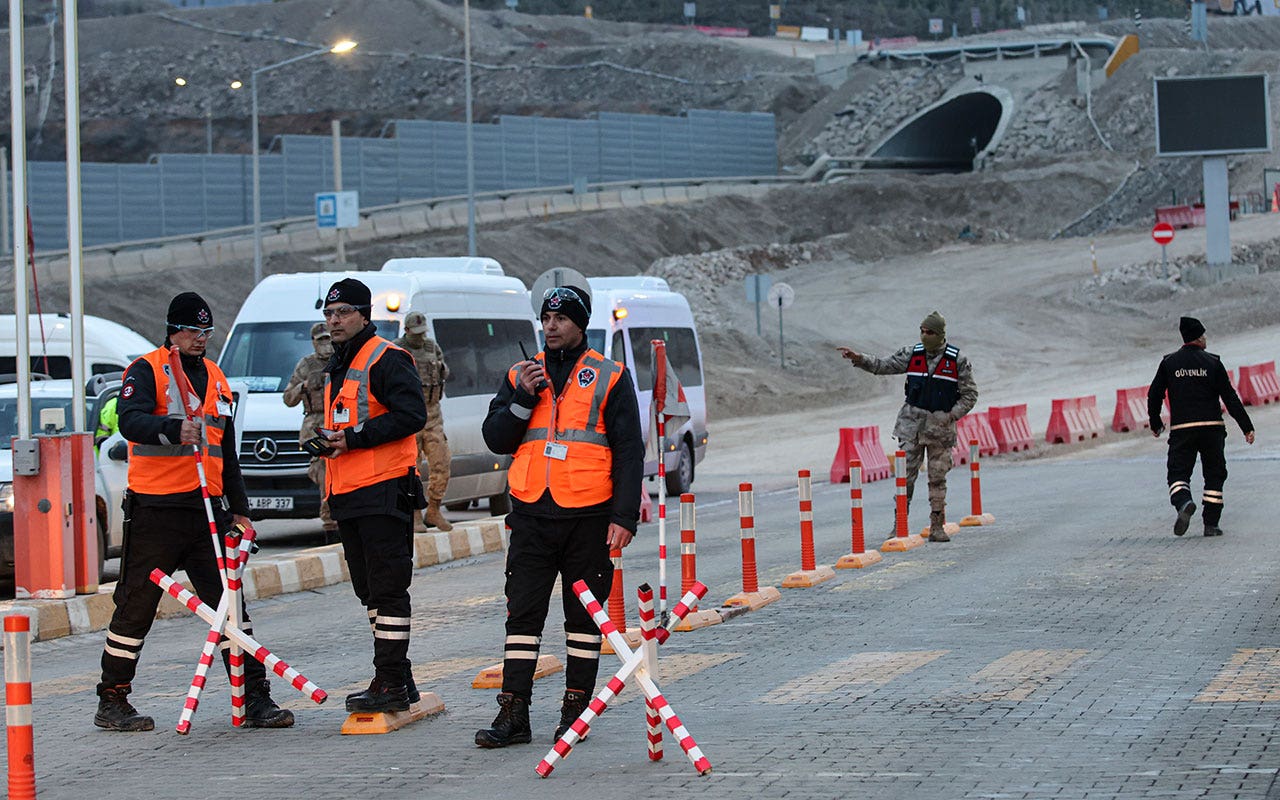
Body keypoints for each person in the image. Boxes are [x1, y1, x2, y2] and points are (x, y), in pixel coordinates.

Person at [95, 292, 293, 731]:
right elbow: (130, 420)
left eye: (205, 332)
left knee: (230, 606)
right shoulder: (147, 370)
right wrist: (172, 430)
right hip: (157, 511)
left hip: (208, 512)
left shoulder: (218, 380)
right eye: (191, 331)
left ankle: (254, 698)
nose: (199, 340)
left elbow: (228, 454)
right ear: (172, 331)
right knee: (135, 605)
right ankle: (112, 699)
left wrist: (240, 511)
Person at [475, 283, 644, 748]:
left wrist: (624, 517)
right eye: (546, 319)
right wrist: (523, 398)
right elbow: (497, 437)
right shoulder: (520, 375)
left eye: (561, 319)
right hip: (531, 513)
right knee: (522, 616)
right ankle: (513, 714)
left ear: (579, 323)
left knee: (582, 619)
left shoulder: (609, 376)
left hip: (589, 517)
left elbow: (631, 451)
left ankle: (576, 711)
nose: (550, 326)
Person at [317, 278, 428, 713]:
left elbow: (412, 415)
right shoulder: (338, 364)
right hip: (348, 492)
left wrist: (353, 438)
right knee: (369, 590)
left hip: (384, 489)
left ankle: (388, 682)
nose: (334, 321)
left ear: (365, 315)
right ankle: (400, 677)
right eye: (329, 314)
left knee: (388, 589)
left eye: (343, 312)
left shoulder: (387, 357)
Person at [837, 311, 978, 542]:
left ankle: (936, 525)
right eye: (922, 331)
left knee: (937, 477)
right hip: (910, 427)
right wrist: (859, 358)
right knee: (905, 478)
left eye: (930, 332)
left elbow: (970, 394)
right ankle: (899, 524)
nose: (925, 336)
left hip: (940, 430)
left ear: (940, 334)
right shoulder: (913, 354)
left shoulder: (957, 360)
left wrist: (952, 415)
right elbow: (884, 366)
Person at [1147, 316, 1255, 537]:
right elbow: (1230, 397)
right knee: (1215, 474)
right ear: (1197, 337)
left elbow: (1154, 394)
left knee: (1177, 473)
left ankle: (1184, 502)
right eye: (1204, 335)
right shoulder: (1213, 362)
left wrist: (1156, 423)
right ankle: (1211, 524)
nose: (1206, 338)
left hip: (1182, 429)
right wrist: (1246, 427)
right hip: (1212, 428)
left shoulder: (1169, 363)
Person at [393, 310, 453, 533]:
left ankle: (434, 510)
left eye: (422, 333)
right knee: (411, 469)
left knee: (442, 463)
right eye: (415, 333)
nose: (420, 337)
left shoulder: (432, 348)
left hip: (433, 415)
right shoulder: (397, 350)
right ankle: (414, 514)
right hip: (409, 416)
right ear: (406, 330)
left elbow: (444, 371)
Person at [283, 322, 337, 537]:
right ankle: (330, 525)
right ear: (314, 342)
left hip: (339, 421)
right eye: (321, 339)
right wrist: (304, 386)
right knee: (324, 474)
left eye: (328, 338)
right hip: (315, 425)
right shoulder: (306, 365)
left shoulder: (342, 359)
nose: (326, 344)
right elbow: (288, 398)